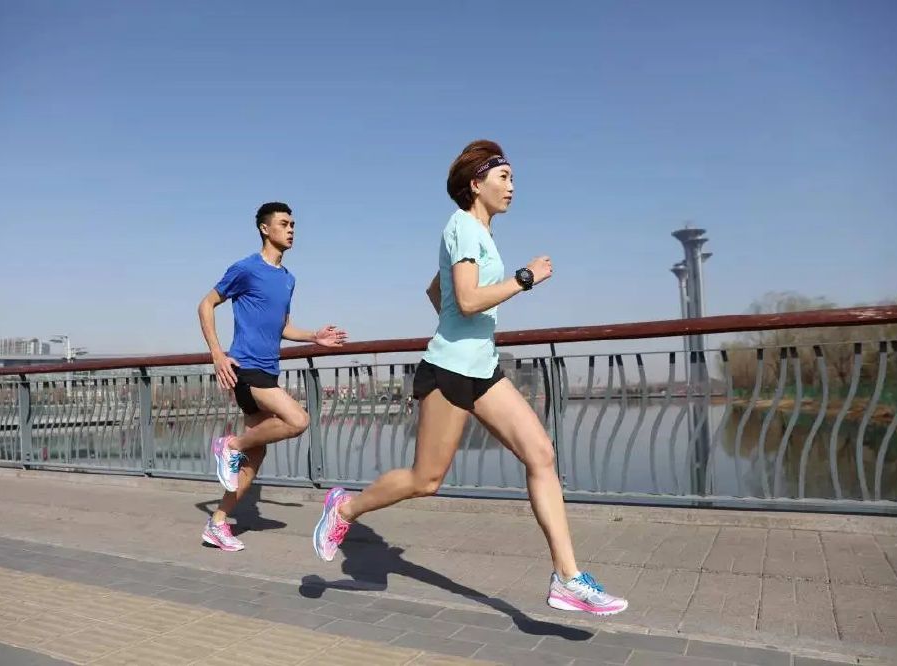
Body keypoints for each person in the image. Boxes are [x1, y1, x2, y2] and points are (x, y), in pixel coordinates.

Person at [312, 142, 627, 615]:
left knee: (541, 454)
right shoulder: (461, 226)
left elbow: (436, 289)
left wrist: (457, 326)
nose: (512, 186)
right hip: (449, 371)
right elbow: (465, 299)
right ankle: (343, 509)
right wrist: (525, 278)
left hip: (482, 368)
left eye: (513, 178)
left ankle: (567, 578)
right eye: (504, 177)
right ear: (476, 184)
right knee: (425, 479)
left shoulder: (480, 233)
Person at [198, 201, 347, 551]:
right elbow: (206, 304)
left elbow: (282, 327)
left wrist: (314, 337)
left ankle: (217, 523)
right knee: (298, 420)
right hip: (246, 368)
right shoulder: (246, 269)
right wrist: (217, 354)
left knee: (254, 460)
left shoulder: (287, 279)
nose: (291, 229)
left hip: (268, 370)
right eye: (283, 223)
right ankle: (230, 445)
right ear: (265, 229)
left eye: (293, 224)